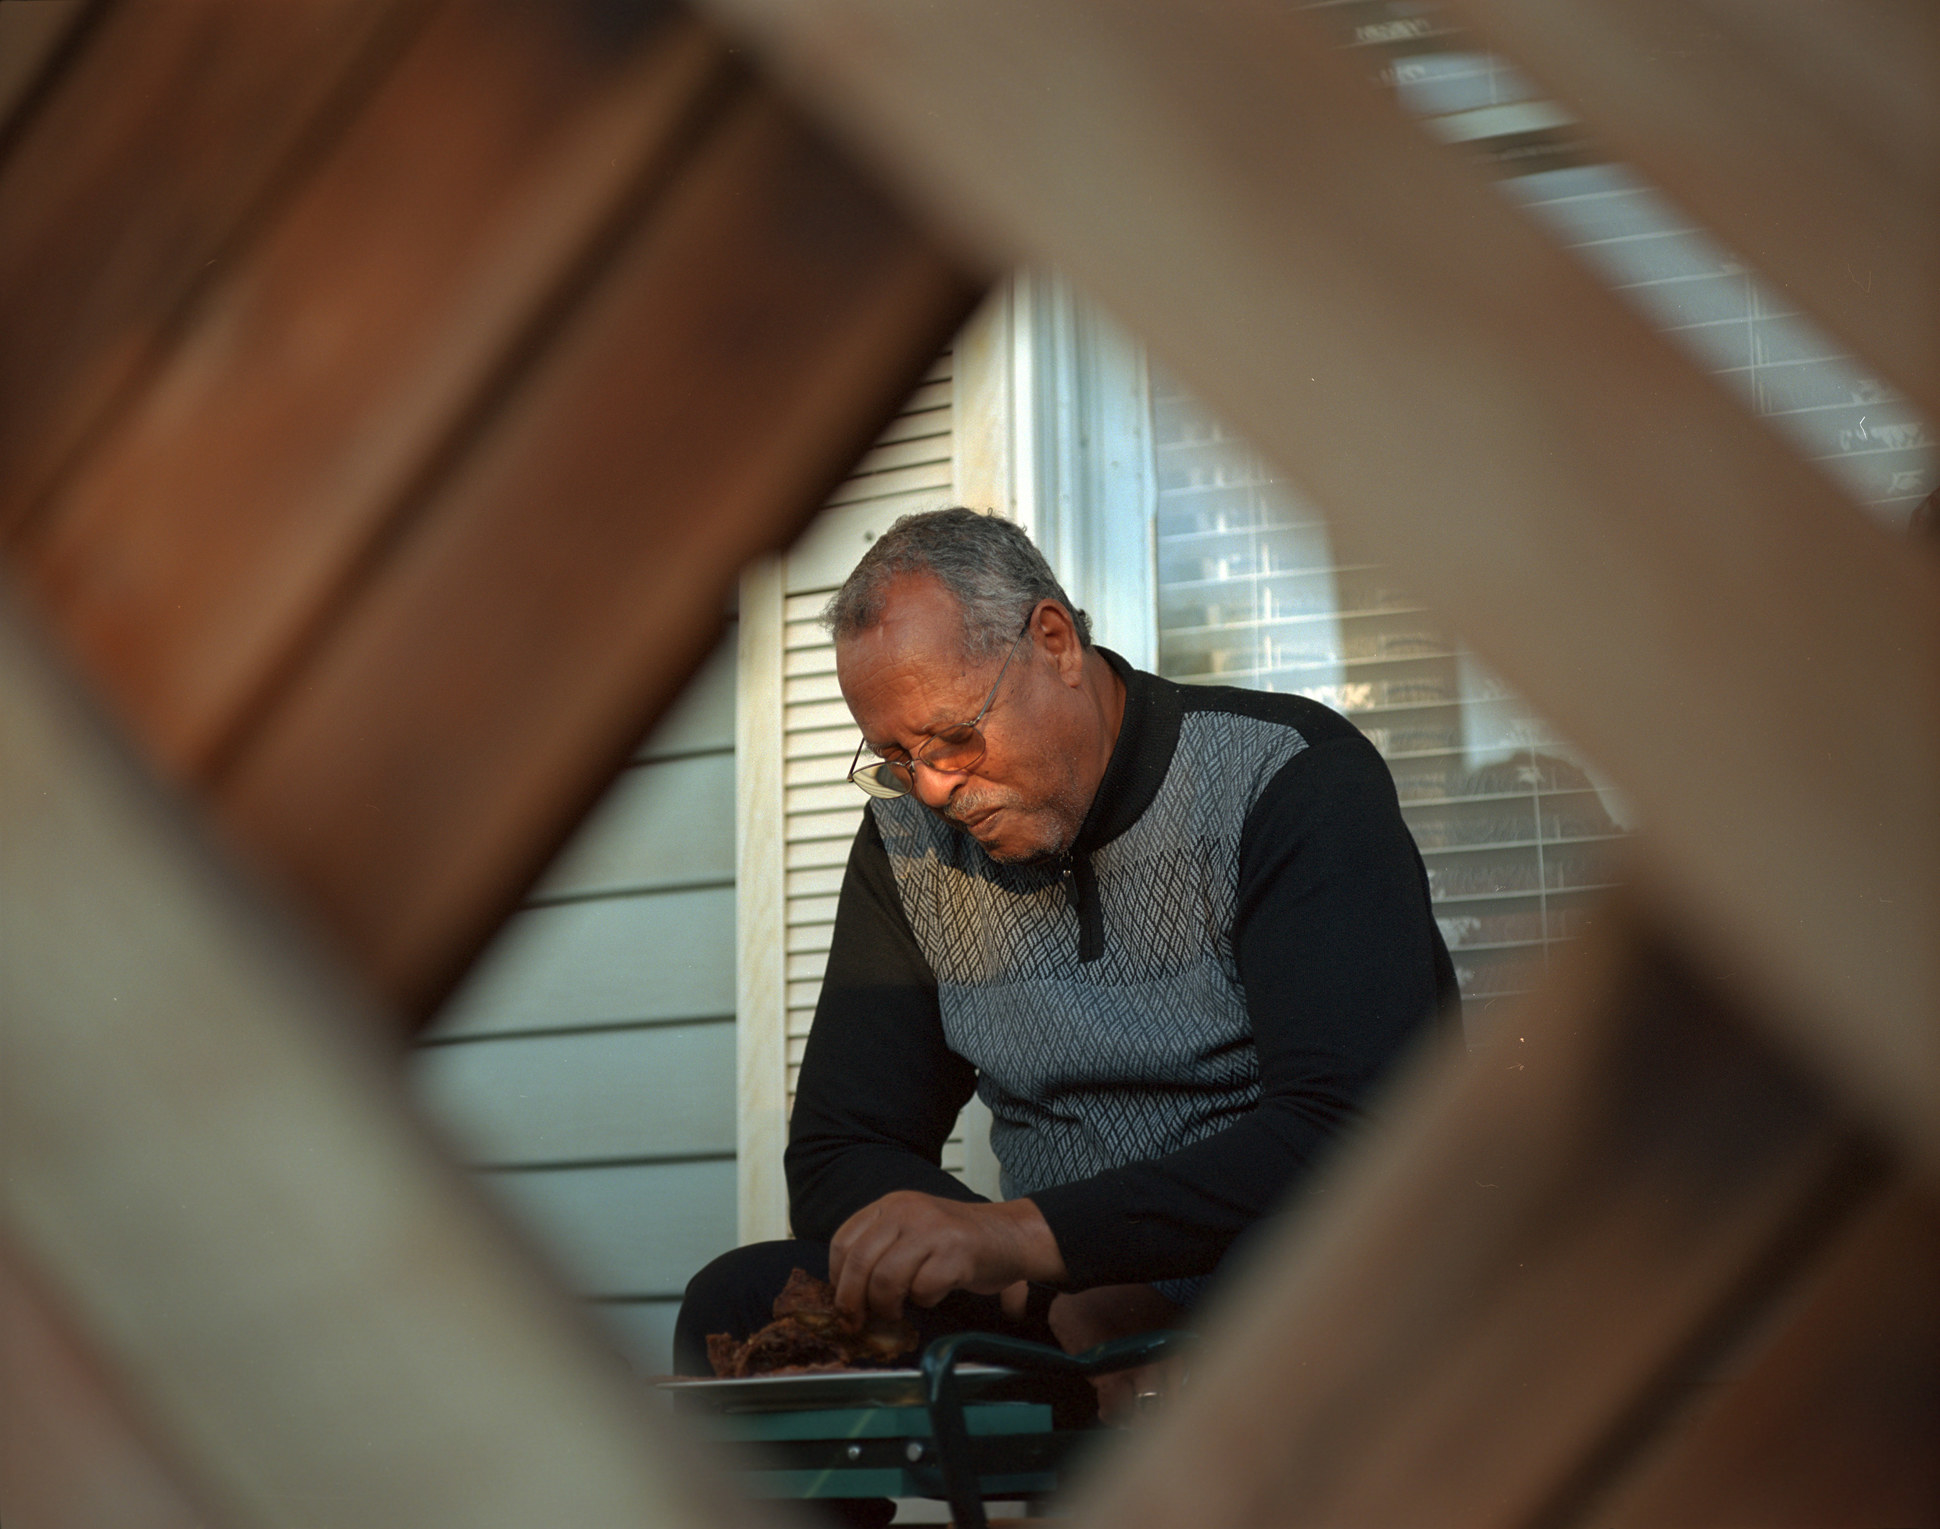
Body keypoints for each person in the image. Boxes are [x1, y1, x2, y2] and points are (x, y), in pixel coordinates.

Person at [676, 508, 1458, 1416]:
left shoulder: (1286, 775)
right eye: (894, 758)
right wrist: (1045, 1283)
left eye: (952, 738)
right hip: (1056, 1299)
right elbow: (840, 1148)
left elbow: (1352, 1126)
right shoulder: (910, 840)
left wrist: (1038, 1239)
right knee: (735, 1307)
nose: (930, 788)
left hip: (1299, 1289)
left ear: (1052, 640)